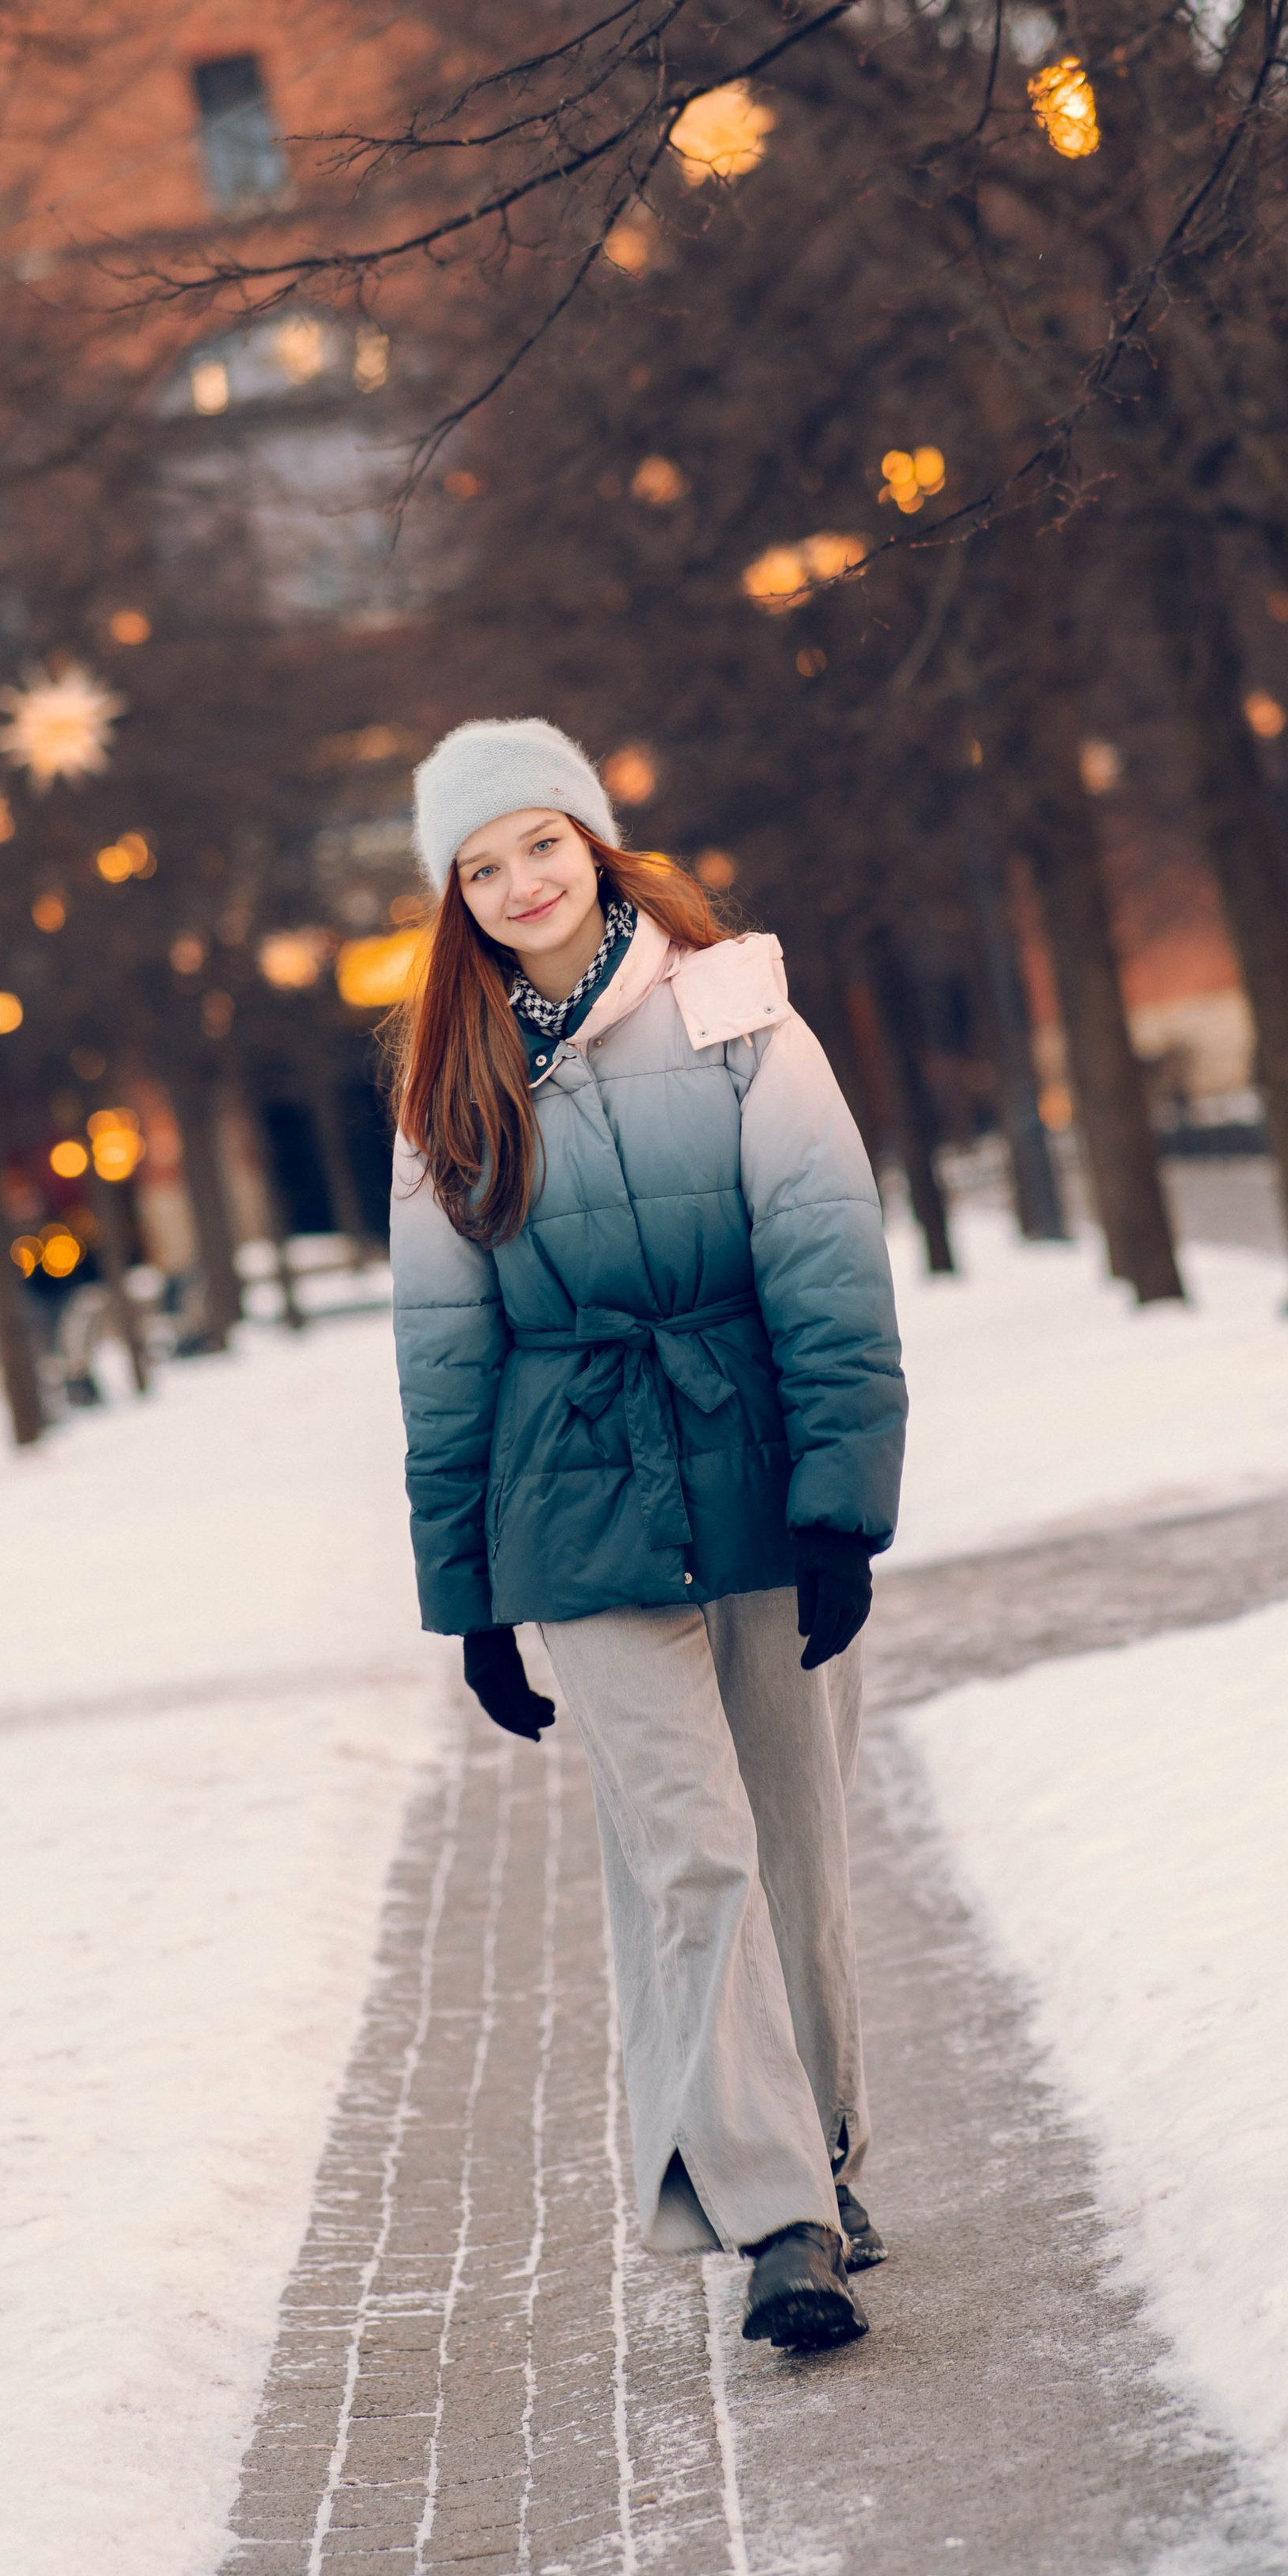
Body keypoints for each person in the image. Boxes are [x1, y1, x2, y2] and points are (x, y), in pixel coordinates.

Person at [389, 718, 907, 2355]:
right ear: (453, 897)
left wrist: (839, 1507)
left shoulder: (730, 1002)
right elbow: (439, 1344)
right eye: (479, 869)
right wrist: (468, 1598)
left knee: (794, 1846)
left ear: (592, 840)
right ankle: (777, 2226)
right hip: (572, 1497)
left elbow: (826, 1249)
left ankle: (822, 2156)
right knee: (690, 1856)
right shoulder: (444, 1083)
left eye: (536, 844)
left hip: (753, 1468)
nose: (517, 885)